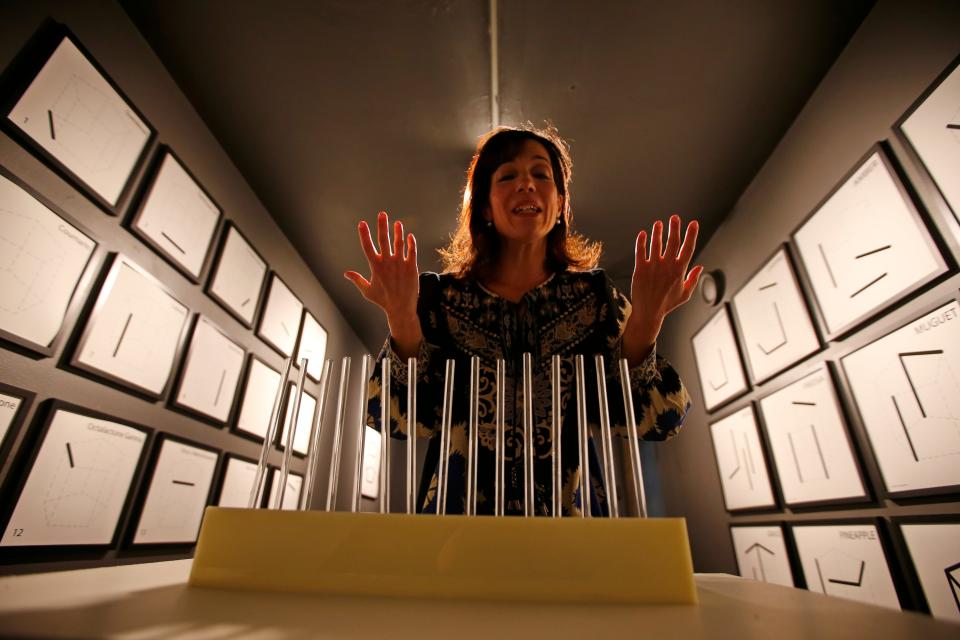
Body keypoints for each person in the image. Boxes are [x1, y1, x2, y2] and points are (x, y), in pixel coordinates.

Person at [344, 125, 701, 516]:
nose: (526, 184)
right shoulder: (438, 299)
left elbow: (655, 421)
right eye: (507, 175)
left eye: (541, 174)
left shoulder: (596, 298)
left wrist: (647, 321)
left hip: (571, 534)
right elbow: (397, 420)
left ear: (561, 201)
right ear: (484, 206)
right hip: (455, 533)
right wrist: (401, 319)